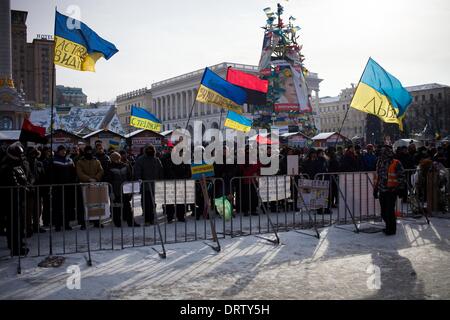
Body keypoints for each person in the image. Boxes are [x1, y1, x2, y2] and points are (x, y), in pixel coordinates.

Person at [0, 142, 30, 255]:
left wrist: (26, 185)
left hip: (18, 197)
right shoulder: (6, 166)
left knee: (19, 221)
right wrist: (21, 186)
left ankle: (17, 242)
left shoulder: (18, 164)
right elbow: (12, 181)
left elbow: (24, 176)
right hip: (10, 198)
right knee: (13, 223)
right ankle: (15, 247)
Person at [373, 145, 406, 236]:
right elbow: (378, 176)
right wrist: (375, 189)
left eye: (384, 153)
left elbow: (401, 176)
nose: (382, 154)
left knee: (389, 211)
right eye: (382, 153)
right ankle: (388, 226)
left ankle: (391, 229)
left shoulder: (396, 162)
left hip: (392, 190)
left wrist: (401, 189)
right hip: (382, 190)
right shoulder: (379, 162)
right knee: (383, 212)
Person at [106, 152, 139, 227]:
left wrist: (130, 190)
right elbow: (108, 180)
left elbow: (130, 177)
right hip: (115, 190)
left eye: (118, 158)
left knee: (127, 206)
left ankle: (131, 222)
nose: (117, 160)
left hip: (125, 190)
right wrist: (111, 192)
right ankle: (117, 223)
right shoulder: (109, 167)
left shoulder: (125, 166)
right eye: (115, 159)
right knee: (116, 207)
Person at [133, 144, 164, 225]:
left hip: (154, 185)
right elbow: (137, 170)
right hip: (145, 186)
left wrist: (160, 181)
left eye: (151, 149)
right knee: (146, 203)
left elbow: (160, 170)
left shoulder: (156, 160)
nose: (150, 151)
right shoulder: (140, 160)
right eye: (148, 149)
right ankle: (147, 220)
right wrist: (139, 179)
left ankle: (152, 218)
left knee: (153, 203)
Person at [76, 145, 104, 229]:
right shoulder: (80, 162)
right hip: (84, 185)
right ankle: (83, 223)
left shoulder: (96, 161)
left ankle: (96, 221)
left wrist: (96, 178)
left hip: (95, 185)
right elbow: (79, 173)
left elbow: (101, 170)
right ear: (84, 152)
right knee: (83, 205)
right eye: (87, 151)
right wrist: (89, 179)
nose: (89, 153)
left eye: (90, 151)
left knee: (95, 204)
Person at [50, 145, 77, 232]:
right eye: (61, 150)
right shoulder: (54, 160)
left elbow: (73, 173)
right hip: (57, 188)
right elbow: (51, 174)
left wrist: (72, 183)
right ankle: (57, 225)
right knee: (57, 207)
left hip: (68, 188)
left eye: (64, 150)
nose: (63, 152)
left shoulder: (69, 160)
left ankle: (66, 224)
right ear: (58, 151)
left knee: (67, 207)